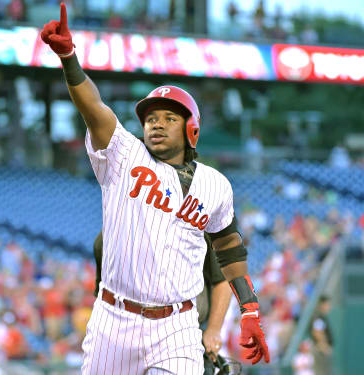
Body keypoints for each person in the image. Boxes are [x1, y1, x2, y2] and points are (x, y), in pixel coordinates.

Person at [40, 5, 270, 373]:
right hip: (114, 320)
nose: (156, 124)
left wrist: (250, 309)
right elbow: (93, 108)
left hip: (176, 325)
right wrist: (69, 58)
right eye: (150, 118)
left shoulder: (215, 185)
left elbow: (228, 249)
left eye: (169, 118)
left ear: (190, 129)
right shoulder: (123, 155)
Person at [93, 231, 233, 372]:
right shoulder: (109, 236)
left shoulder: (196, 226)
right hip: (125, 332)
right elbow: (104, 295)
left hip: (180, 330)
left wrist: (213, 330)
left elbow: (223, 279)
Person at [310, 296, 333, 375]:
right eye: (327, 305)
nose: (329, 307)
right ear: (321, 305)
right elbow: (317, 333)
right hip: (321, 352)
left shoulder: (321, 317)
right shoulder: (319, 318)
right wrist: (324, 347)